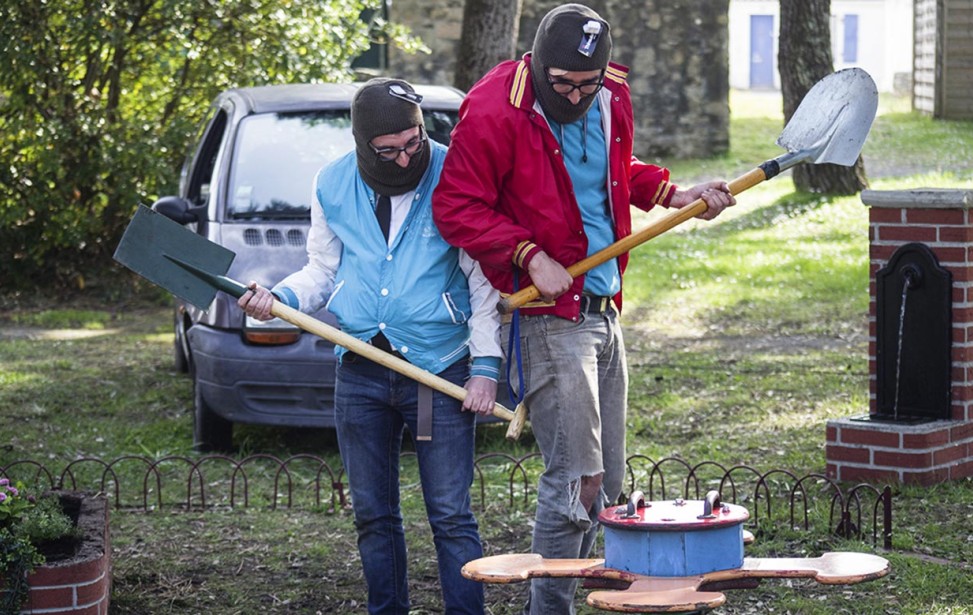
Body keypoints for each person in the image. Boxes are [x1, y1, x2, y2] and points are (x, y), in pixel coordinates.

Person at [431, 4, 736, 613]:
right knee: (578, 480)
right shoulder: (495, 108)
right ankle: (550, 609)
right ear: (539, 63)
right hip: (549, 315)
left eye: (585, 84)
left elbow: (611, 173)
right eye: (562, 83)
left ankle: (583, 592)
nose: (574, 94)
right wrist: (524, 252)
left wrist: (673, 193)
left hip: (604, 306)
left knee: (609, 484)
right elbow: (455, 205)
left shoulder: (613, 94)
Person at [238, 78, 501, 615]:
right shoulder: (331, 183)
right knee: (373, 515)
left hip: (439, 369)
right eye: (389, 150)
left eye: (413, 142)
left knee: (451, 515)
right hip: (360, 370)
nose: (406, 159)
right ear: (363, 144)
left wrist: (486, 367)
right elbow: (321, 269)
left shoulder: (453, 172)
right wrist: (278, 296)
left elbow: (482, 281)